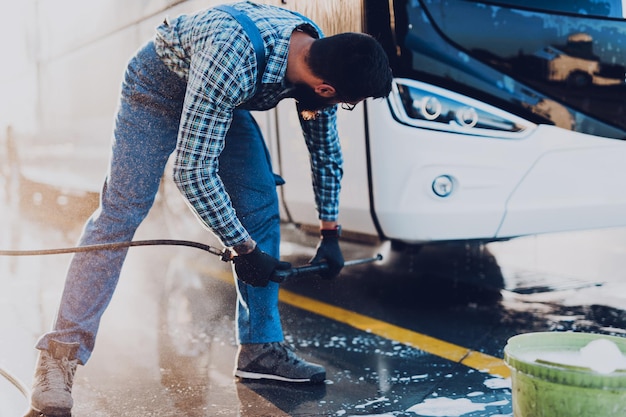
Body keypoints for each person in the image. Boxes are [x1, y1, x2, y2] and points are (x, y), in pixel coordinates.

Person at [24, 1, 392, 416]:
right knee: (121, 213)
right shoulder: (233, 57)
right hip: (156, 88)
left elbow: (325, 152)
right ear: (326, 90)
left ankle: (260, 350)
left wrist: (330, 233)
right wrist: (244, 249)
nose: (337, 108)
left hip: (220, 100)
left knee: (259, 202)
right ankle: (59, 355)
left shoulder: (322, 55)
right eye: (345, 103)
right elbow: (192, 171)